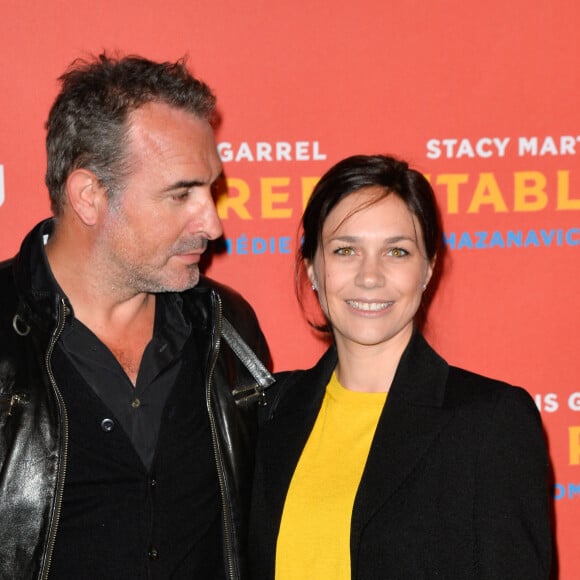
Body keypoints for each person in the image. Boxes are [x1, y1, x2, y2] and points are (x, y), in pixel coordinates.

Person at [0, 54, 273, 580]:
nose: (213, 224)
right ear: (89, 196)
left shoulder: (227, 325)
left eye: (211, 189)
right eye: (182, 194)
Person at [249, 155, 552, 579]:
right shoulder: (266, 412)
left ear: (427, 268)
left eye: (396, 251)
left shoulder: (490, 422)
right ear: (313, 268)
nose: (369, 276)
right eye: (345, 250)